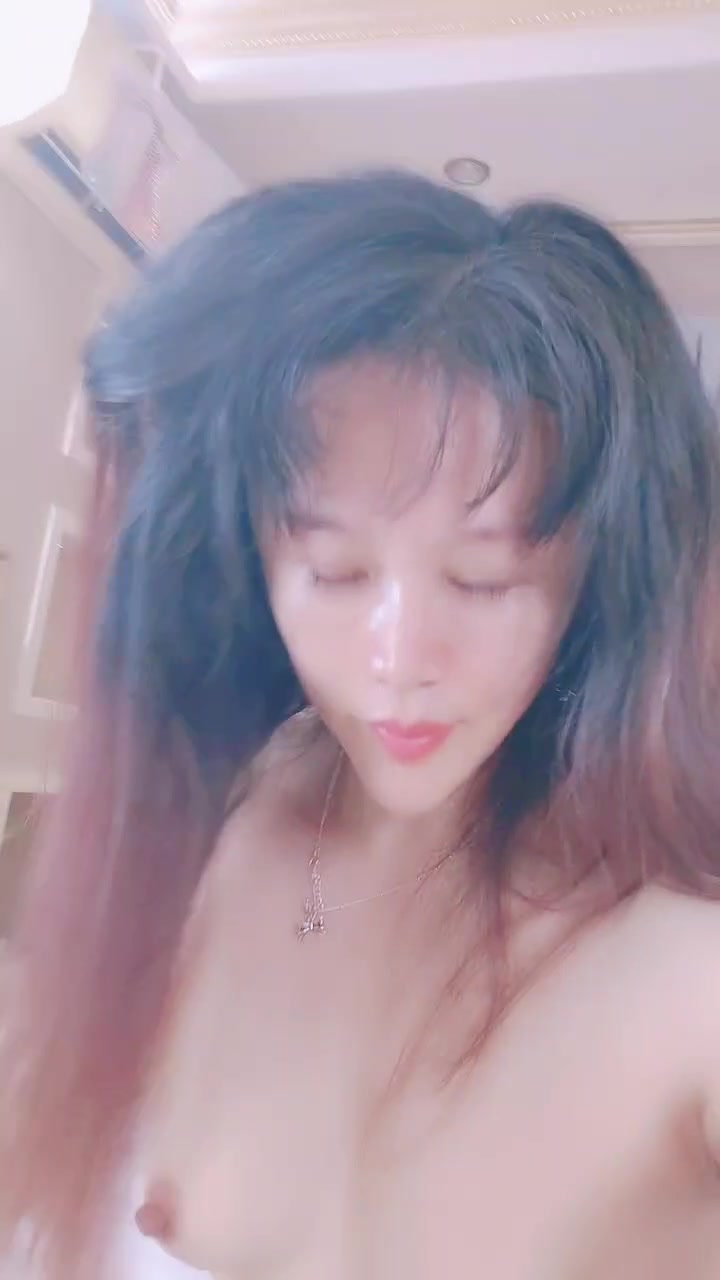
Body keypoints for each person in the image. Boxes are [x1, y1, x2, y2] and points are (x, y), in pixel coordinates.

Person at [1, 169, 720, 1280]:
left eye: (482, 580)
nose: (398, 660)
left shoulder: (681, 969)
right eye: (334, 569)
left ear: (597, 584)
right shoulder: (227, 806)